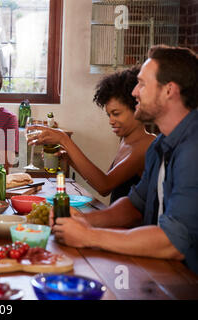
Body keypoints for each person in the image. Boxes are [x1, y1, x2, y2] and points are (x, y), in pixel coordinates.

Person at [50, 45, 198, 274]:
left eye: (142, 84)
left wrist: (90, 235)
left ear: (169, 90)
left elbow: (173, 242)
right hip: (160, 271)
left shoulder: (193, 147)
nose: (135, 92)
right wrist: (85, 221)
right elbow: (134, 205)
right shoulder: (159, 146)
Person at [29, 67, 156, 203]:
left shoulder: (147, 145)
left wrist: (64, 139)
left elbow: (104, 185)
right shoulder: (126, 140)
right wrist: (70, 159)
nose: (111, 121)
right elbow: (103, 181)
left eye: (116, 113)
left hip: (132, 223)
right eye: (109, 115)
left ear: (137, 108)